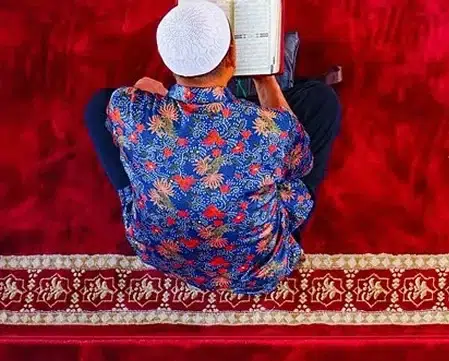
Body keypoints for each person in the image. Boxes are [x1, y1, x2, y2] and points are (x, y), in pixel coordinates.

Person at [84, 1, 341, 295]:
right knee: (322, 102)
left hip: (162, 251)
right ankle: (287, 237)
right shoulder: (273, 130)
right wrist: (265, 79)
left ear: (169, 61)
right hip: (258, 263)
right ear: (232, 56)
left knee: (97, 108)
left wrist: (145, 88)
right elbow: (300, 163)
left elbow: (124, 99)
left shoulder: (127, 107)